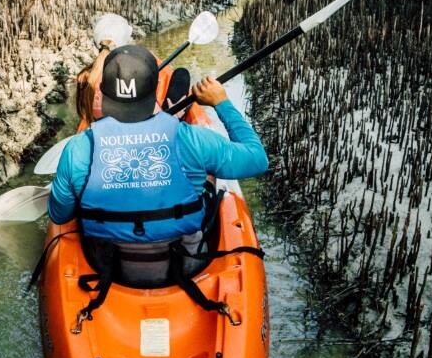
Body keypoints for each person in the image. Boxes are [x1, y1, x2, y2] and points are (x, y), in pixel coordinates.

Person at [48, 44, 268, 288]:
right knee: (207, 176)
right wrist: (221, 103)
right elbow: (257, 159)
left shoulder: (78, 149)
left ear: (105, 92)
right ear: (155, 91)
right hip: (187, 263)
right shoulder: (192, 138)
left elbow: (60, 214)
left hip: (108, 266)